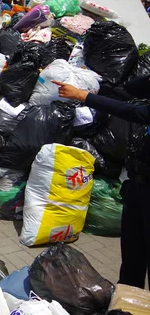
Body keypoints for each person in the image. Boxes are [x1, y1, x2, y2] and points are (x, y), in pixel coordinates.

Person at [53, 78, 150, 289]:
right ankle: (126, 303)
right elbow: (132, 88)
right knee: (132, 254)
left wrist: (83, 95)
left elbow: (134, 112)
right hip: (138, 185)